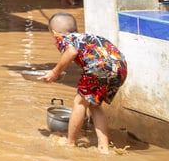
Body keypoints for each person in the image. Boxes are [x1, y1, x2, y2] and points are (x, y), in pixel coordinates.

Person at [40, 12, 127, 153]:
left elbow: (71, 52)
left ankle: (70, 143)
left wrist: (55, 72)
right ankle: (104, 148)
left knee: (78, 102)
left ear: (54, 32)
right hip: (121, 68)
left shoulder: (63, 38)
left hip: (99, 67)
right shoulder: (87, 37)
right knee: (94, 105)